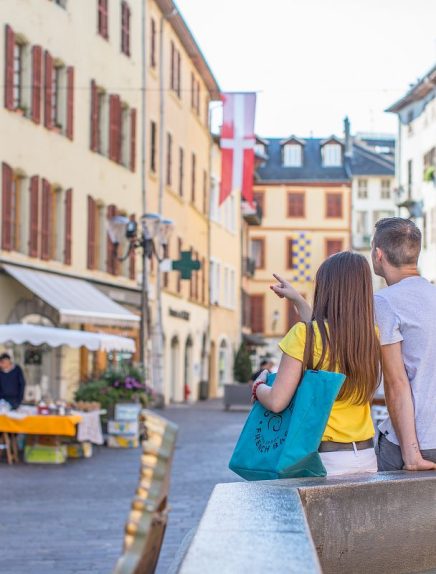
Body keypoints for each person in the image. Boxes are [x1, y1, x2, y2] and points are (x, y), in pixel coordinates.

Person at [252, 252, 381, 476]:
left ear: (326, 289)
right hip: (367, 457)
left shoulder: (304, 335)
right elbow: (324, 334)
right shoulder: (371, 337)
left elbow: (276, 401)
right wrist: (298, 300)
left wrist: (258, 387)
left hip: (324, 460)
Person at [371, 217, 436, 471]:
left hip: (413, 443)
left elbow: (397, 382)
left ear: (378, 254)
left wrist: (411, 456)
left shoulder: (384, 301)